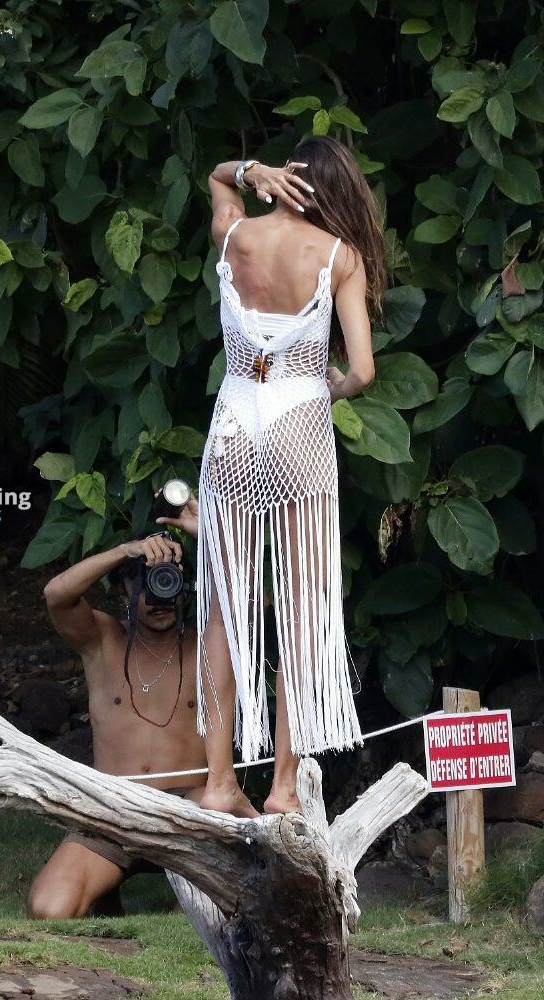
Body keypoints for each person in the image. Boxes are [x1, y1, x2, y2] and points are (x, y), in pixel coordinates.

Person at [195, 135, 386, 819]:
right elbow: (362, 370)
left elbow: (216, 179)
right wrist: (331, 389)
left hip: (232, 424)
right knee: (301, 609)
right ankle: (281, 789)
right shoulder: (338, 257)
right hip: (298, 425)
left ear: (284, 179)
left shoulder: (235, 236)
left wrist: (248, 171)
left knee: (226, 607)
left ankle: (219, 783)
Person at [27, 496, 206, 919]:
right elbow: (56, 595)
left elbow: (262, 598)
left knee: (208, 914)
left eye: (169, 580)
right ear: (125, 588)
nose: (160, 595)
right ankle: (106, 892)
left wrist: (211, 537)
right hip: (112, 808)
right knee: (49, 910)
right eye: (146, 582)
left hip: (193, 808)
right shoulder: (102, 640)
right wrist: (126, 551)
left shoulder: (209, 642)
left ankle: (175, 896)